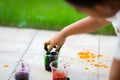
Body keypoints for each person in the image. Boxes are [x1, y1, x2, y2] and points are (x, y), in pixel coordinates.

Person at [44, 0, 120, 80]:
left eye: (79, 10)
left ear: (102, 7)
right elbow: (98, 21)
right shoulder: (114, 7)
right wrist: (63, 34)